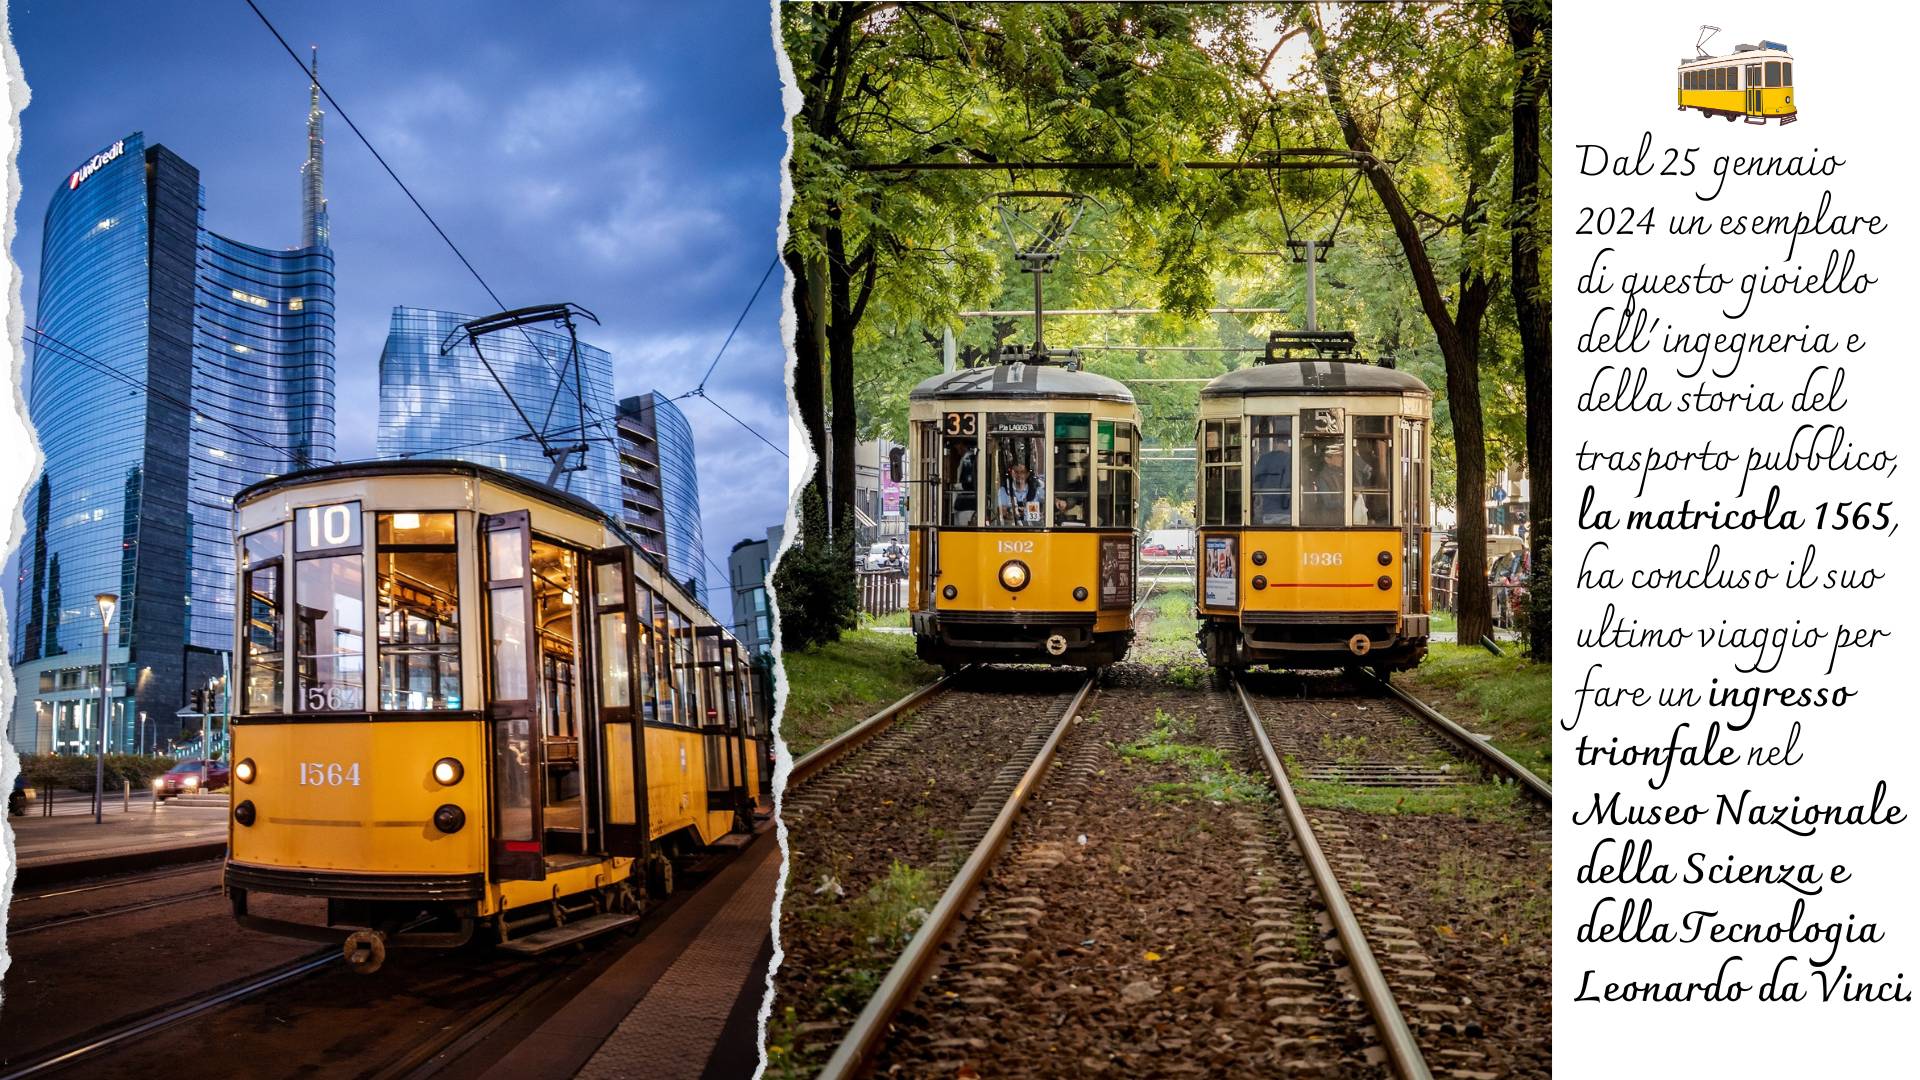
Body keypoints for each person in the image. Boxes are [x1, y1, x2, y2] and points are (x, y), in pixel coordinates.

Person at [996, 459, 1047, 526]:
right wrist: (1007, 512)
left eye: (1022, 472)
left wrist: (1043, 513)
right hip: (1010, 530)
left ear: (1027, 474)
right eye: (1016, 472)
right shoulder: (1003, 491)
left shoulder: (1037, 491)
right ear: (1011, 473)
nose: (1019, 475)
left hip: (1034, 531)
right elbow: (1001, 512)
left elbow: (1049, 502)